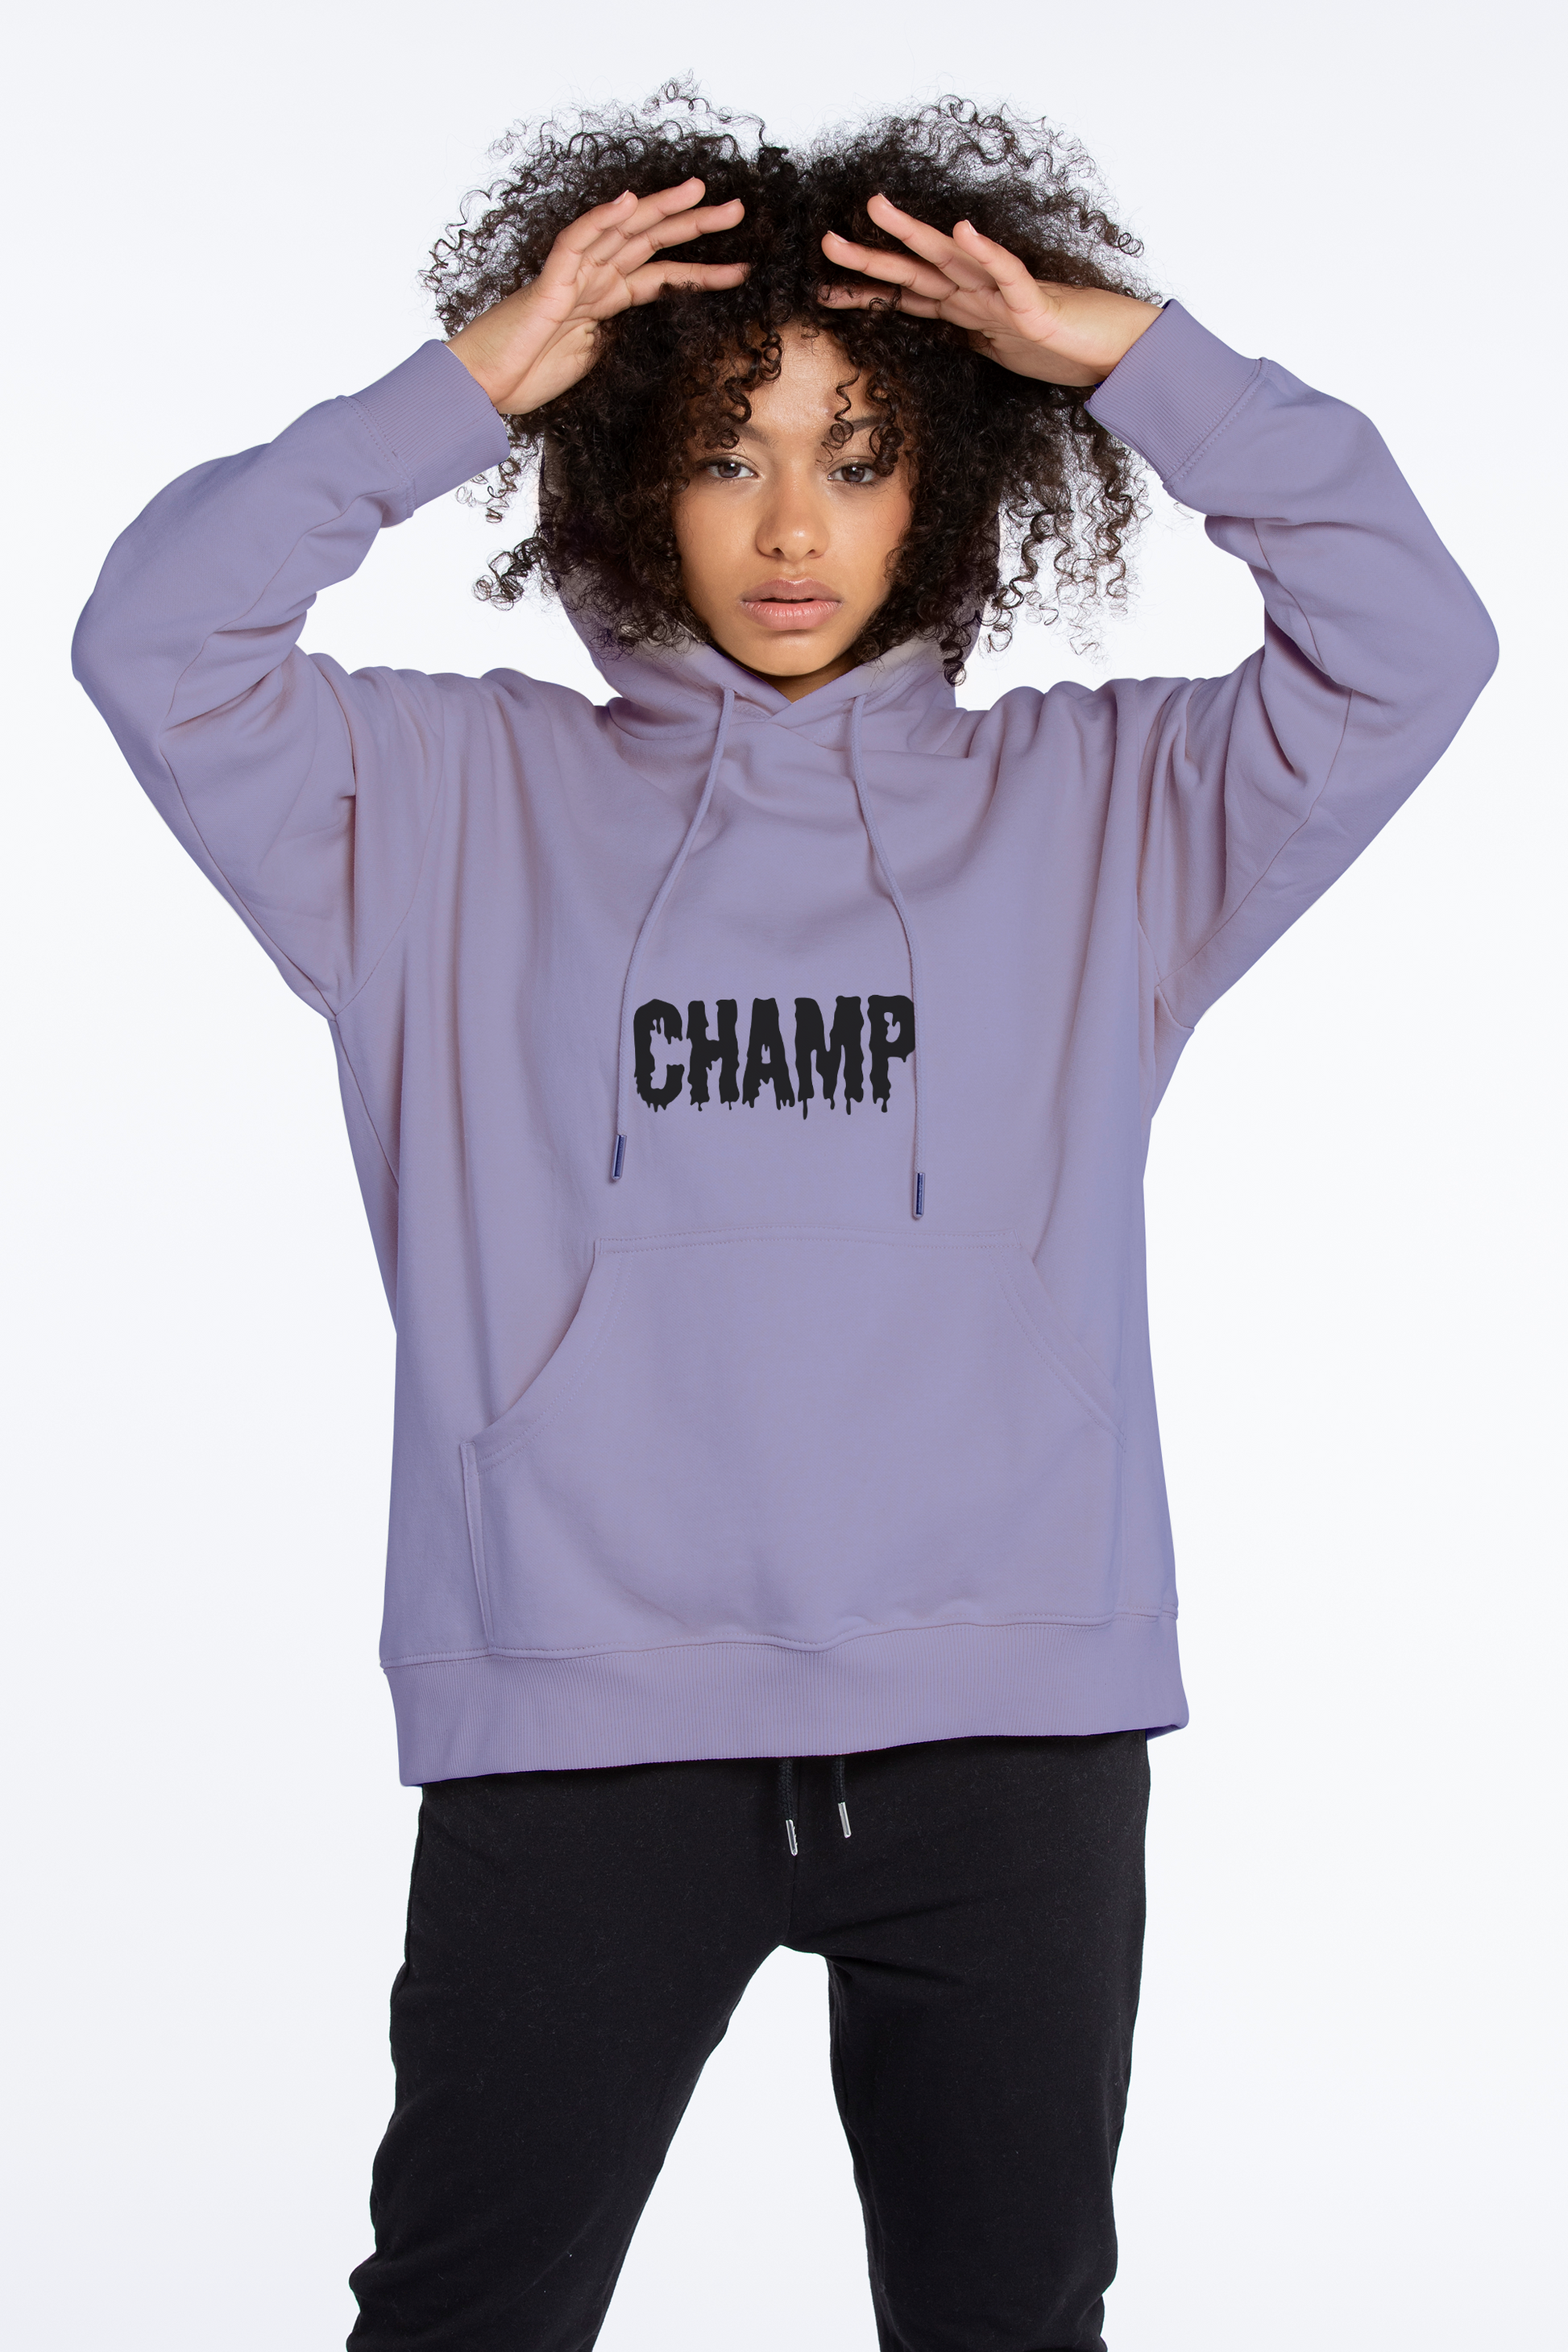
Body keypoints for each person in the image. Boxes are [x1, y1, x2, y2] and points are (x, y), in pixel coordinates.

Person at [72, 89, 1496, 2352]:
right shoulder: (434, 803)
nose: (794, 524)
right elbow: (153, 637)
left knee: (1008, 2326)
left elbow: (1414, 641)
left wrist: (1136, 361)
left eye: (858, 452)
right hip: (581, 1719)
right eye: (726, 451)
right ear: (625, 471)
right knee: (458, 2318)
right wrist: (461, 387)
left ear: (953, 478)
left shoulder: (1101, 810)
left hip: (1008, 1723)